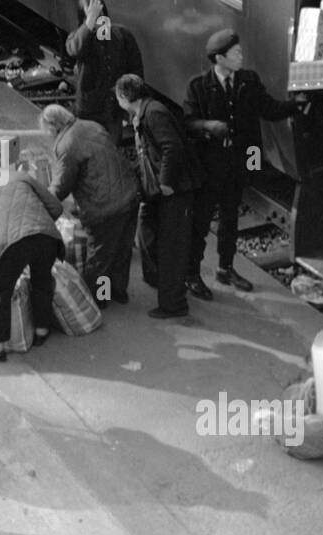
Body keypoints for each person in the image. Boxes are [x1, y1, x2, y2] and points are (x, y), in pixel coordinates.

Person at [183, 29, 304, 297]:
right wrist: (209, 126)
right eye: (236, 53)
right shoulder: (198, 87)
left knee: (230, 220)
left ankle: (225, 268)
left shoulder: (248, 81)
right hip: (209, 169)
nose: (241, 56)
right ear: (219, 58)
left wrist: (295, 105)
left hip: (236, 167)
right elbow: (188, 123)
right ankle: (191, 274)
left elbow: (268, 108)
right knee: (201, 222)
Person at [115, 74, 204, 319]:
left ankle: (174, 304)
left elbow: (171, 147)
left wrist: (165, 183)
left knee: (172, 247)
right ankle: (159, 280)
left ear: (124, 96)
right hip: (160, 189)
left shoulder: (154, 113)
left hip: (176, 189)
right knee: (149, 230)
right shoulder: (143, 113)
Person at [42, 104, 139, 307]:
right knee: (123, 249)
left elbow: (62, 185)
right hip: (129, 195)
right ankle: (119, 292)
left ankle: (100, 298)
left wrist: (42, 198)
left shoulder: (66, 145)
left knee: (101, 258)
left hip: (104, 206)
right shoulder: (91, 125)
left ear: (53, 127)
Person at [0, 166, 63, 360]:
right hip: (48, 236)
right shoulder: (21, 177)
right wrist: (38, 225)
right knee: (41, 281)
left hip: (7, 243)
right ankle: (42, 330)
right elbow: (56, 207)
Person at [65, 0, 144, 147]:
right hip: (89, 110)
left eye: (102, 17)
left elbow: (136, 69)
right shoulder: (80, 38)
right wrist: (89, 24)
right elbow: (74, 49)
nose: (101, 24)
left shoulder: (122, 36)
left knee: (111, 149)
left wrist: (134, 103)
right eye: (96, 19)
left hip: (113, 108)